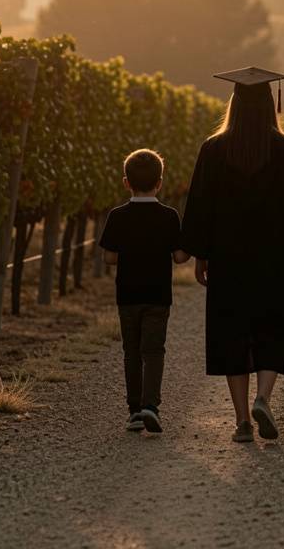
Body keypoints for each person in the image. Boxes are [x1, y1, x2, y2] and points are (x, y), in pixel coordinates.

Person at [180, 67, 284, 443]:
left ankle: (241, 421)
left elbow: (200, 206)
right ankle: (263, 399)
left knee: (232, 332)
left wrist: (200, 254)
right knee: (272, 327)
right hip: (273, 258)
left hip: (228, 259)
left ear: (233, 103)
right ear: (271, 104)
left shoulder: (213, 150)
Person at [99, 148, 190, 434]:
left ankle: (134, 410)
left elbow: (110, 258)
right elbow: (178, 257)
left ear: (126, 182)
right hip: (158, 295)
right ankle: (152, 406)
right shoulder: (169, 216)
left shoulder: (117, 216)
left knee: (131, 352)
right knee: (154, 350)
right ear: (160, 182)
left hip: (127, 296)